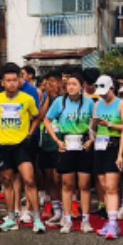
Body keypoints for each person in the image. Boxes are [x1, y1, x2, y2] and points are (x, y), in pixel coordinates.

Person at [0, 63, 43, 233]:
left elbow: (37, 116)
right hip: (4, 145)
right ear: (3, 82)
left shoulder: (27, 99)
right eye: (8, 80)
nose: (12, 83)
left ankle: (36, 218)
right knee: (6, 181)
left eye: (15, 80)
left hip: (22, 144)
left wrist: (29, 133)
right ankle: (11, 218)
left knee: (29, 179)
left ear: (20, 80)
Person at [43, 70, 96, 234]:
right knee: (67, 184)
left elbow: (94, 124)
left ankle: (85, 220)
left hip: (83, 145)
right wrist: (57, 140)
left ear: (81, 87)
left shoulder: (89, 103)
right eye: (68, 84)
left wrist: (92, 139)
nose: (70, 87)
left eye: (74, 84)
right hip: (66, 144)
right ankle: (67, 219)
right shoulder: (60, 101)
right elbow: (47, 120)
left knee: (84, 184)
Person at [90, 75, 123, 238]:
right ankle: (110, 219)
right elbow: (92, 127)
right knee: (104, 185)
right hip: (99, 144)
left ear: (112, 88)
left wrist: (110, 125)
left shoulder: (121, 104)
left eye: (105, 92)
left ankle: (113, 223)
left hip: (114, 144)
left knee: (112, 186)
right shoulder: (97, 104)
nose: (102, 95)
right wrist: (93, 129)